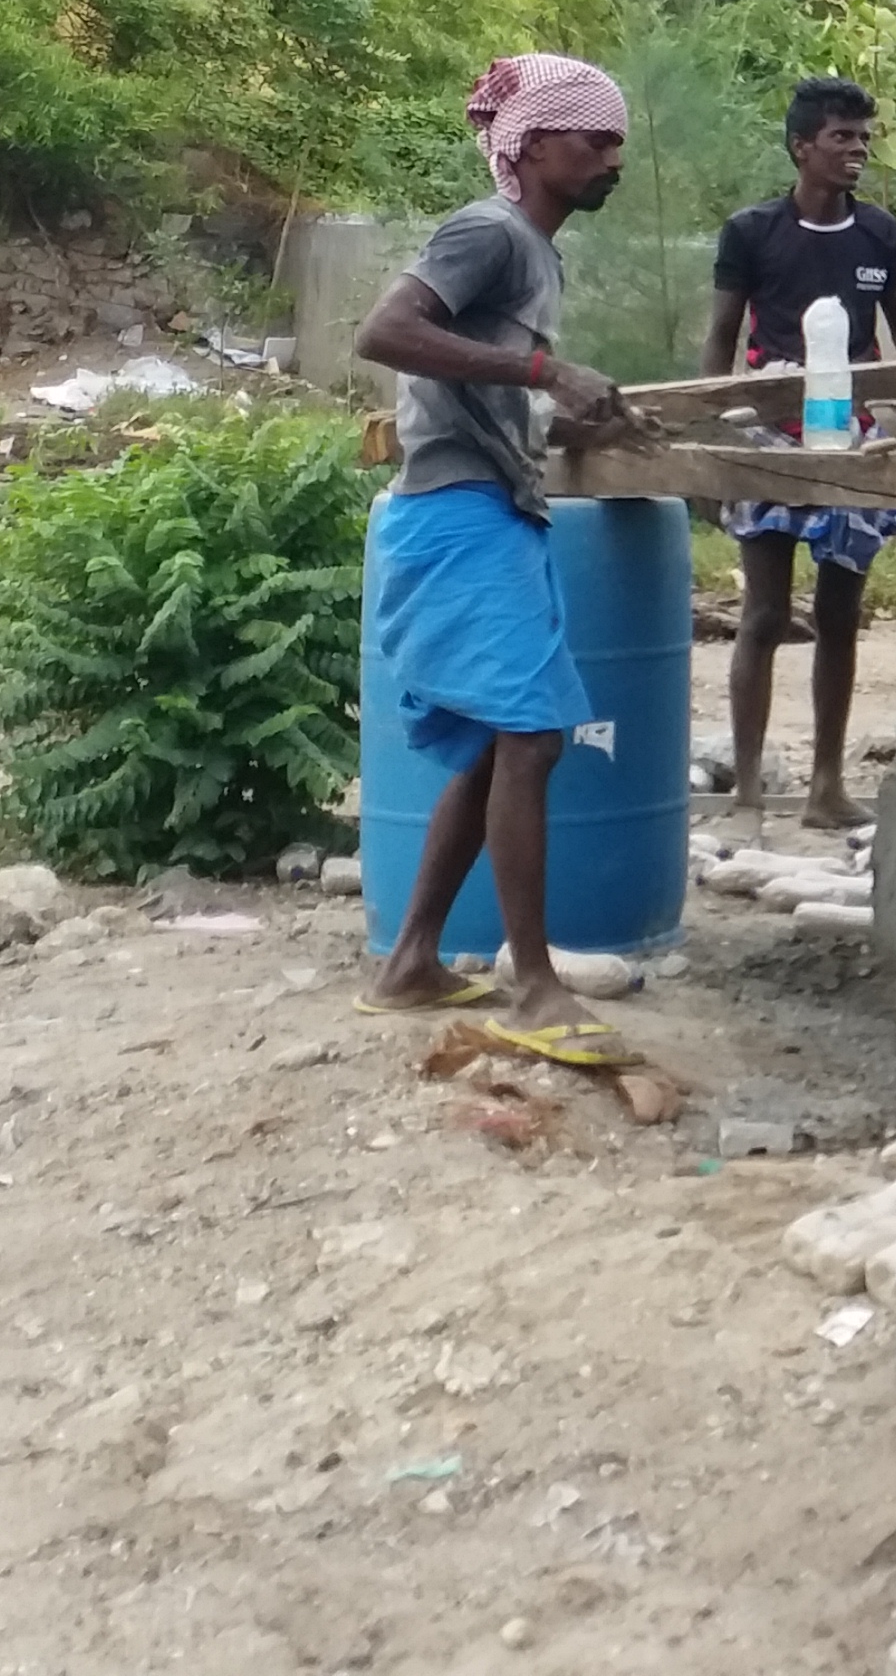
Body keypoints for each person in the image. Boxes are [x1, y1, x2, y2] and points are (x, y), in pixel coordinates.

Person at [354, 52, 645, 1065]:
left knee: (500, 743)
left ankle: (413, 961)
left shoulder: (534, 253)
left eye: (618, 140)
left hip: (480, 507)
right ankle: (534, 986)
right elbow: (384, 333)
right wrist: (544, 370)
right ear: (528, 145)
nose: (613, 156)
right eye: (592, 138)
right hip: (459, 516)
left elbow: (479, 391)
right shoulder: (489, 231)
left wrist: (561, 411)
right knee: (531, 739)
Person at [702, 75, 896, 830]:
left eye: (863, 136)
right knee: (763, 614)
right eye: (841, 137)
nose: (857, 149)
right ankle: (748, 791)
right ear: (802, 148)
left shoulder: (880, 237)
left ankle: (827, 787)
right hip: (769, 433)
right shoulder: (753, 233)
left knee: (840, 609)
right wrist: (712, 427)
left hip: (852, 438)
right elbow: (720, 339)